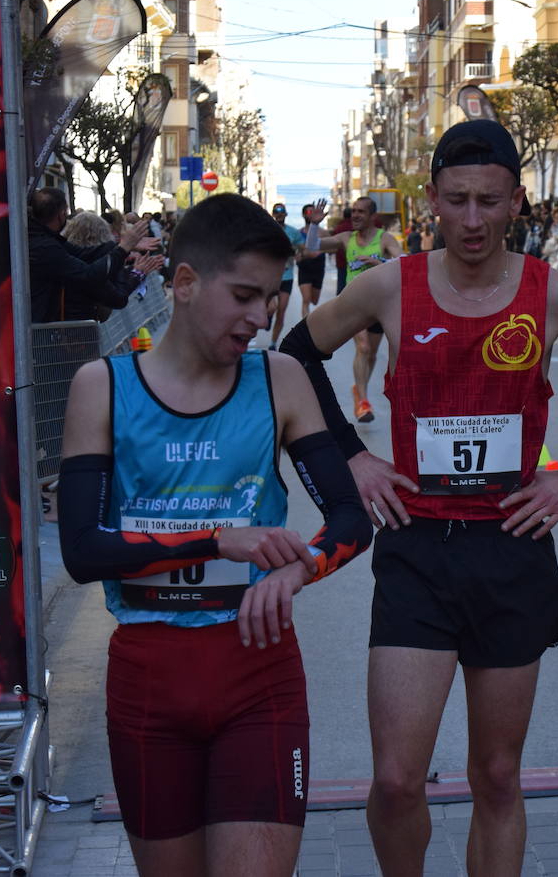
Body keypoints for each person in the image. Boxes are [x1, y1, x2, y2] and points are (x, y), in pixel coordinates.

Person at [280, 119, 558, 876]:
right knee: (395, 782)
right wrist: (352, 458)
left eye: (489, 201)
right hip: (417, 551)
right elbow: (295, 357)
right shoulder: (393, 284)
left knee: (496, 775)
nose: (473, 220)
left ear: (516, 200)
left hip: (510, 550)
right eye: (456, 200)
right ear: (432, 200)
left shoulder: (551, 293)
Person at [57, 193, 372, 876]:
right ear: (186, 283)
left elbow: (351, 518)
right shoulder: (102, 388)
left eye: (271, 297)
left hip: (257, 674)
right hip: (148, 683)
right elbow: (82, 553)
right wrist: (215, 539)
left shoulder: (279, 380)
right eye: (244, 296)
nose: (261, 318)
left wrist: (300, 569)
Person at [300, 195, 404, 423]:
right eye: (354, 210)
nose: (355, 215)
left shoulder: (383, 238)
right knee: (364, 348)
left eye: (361, 212)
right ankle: (363, 402)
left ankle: (359, 389)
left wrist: (381, 263)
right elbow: (313, 246)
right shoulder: (347, 238)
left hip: (380, 305)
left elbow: (404, 260)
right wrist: (315, 225)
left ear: (372, 216)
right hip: (355, 305)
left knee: (373, 353)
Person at [28, 188, 155, 323]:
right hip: (62, 335)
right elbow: (92, 277)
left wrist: (123, 246)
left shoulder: (44, 239)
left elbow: (81, 253)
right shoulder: (45, 247)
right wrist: (132, 266)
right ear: (62, 214)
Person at [269, 202, 305, 349]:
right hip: (271, 277)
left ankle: (273, 343)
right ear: (273, 214)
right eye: (276, 212)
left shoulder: (293, 232)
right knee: (271, 308)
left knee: (281, 311)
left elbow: (302, 249)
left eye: (281, 212)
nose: (279, 214)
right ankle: (267, 318)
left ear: (285, 214)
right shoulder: (267, 231)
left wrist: (299, 256)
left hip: (287, 277)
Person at [295, 204, 328, 320]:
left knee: (314, 300)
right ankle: (305, 327)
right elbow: (296, 252)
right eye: (308, 212)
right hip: (304, 268)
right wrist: (301, 256)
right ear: (304, 215)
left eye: (313, 212)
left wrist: (319, 252)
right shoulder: (298, 233)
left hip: (318, 268)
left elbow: (333, 248)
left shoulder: (323, 233)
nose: (311, 214)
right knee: (306, 299)